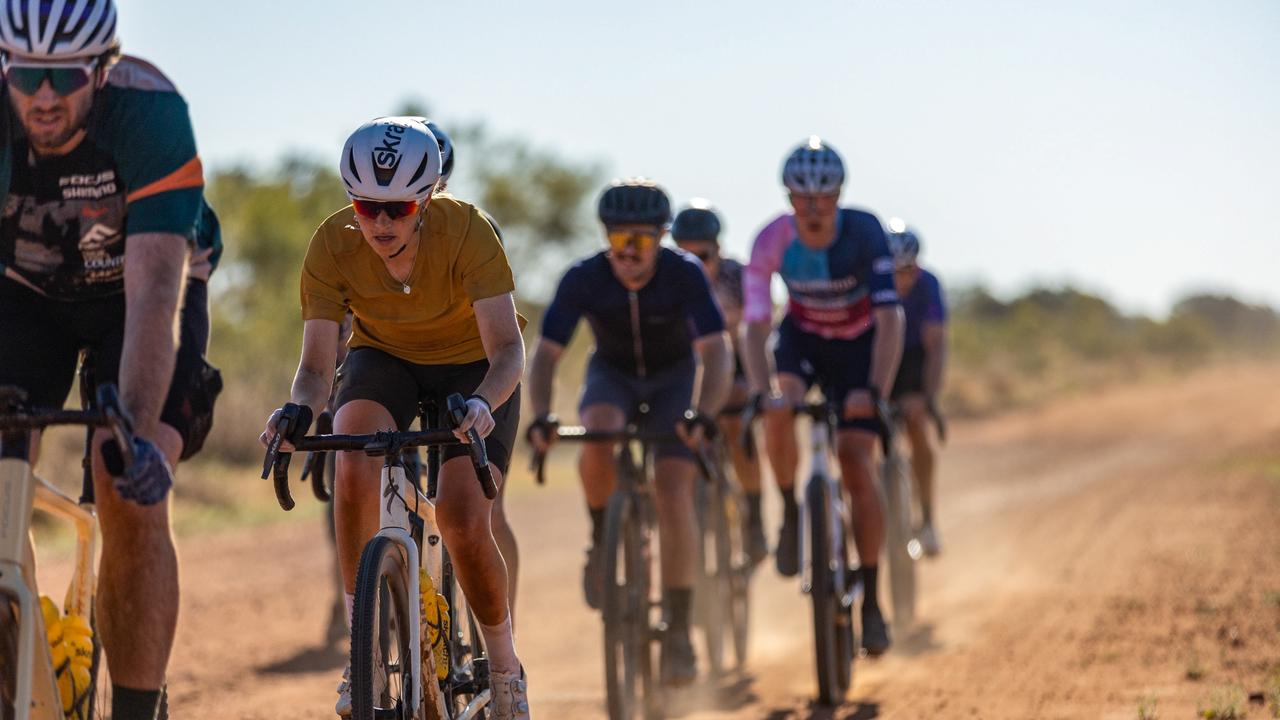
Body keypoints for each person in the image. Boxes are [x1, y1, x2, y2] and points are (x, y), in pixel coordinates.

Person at [260, 117, 530, 719]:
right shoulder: (332, 243)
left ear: (428, 196)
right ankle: (362, 654)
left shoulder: (468, 230)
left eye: (398, 208)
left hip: (474, 369)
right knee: (352, 454)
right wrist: (296, 410)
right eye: (365, 205)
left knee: (462, 519)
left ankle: (506, 667)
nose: (380, 223)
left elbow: (508, 352)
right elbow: (315, 367)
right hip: (386, 359)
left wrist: (484, 405)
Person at [0, 0, 222, 716]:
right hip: (27, 292)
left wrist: (133, 430)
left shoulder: (150, 113)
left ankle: (133, 706)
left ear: (102, 69)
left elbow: (157, 298)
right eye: (26, 72)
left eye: (62, 77)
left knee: (120, 472)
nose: (41, 96)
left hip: (141, 292)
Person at [526, 178, 733, 685]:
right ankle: (602, 537)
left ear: (663, 237)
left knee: (673, 487)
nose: (630, 253)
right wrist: (541, 415)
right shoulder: (584, 278)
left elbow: (716, 352)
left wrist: (703, 414)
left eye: (642, 240)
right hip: (612, 376)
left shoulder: (684, 275)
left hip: (673, 380)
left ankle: (680, 630)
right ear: (605, 238)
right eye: (620, 241)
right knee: (598, 431)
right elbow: (546, 356)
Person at [742, 137, 904, 656]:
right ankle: (790, 511)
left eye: (824, 196)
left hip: (859, 351)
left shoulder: (864, 232)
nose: (813, 207)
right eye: (802, 196)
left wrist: (874, 391)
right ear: (788, 198)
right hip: (803, 341)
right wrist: (761, 387)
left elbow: (889, 318)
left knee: (857, 461)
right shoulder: (771, 239)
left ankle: (874, 600)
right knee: (779, 408)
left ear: (839, 196)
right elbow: (754, 323)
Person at [670, 199, 769, 564]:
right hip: (687, 366)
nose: (696, 263)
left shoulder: (739, 277)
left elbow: (755, 332)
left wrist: (754, 386)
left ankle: (755, 518)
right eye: (686, 254)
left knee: (733, 424)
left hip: (735, 361)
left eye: (704, 255)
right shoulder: (666, 276)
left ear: (719, 249)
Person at [886, 220, 948, 556]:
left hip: (913, 363)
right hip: (880, 359)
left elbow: (936, 347)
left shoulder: (929, 286)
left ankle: (926, 518)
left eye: (907, 270)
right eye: (894, 271)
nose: (901, 279)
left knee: (915, 426)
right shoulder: (872, 285)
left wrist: (928, 396)